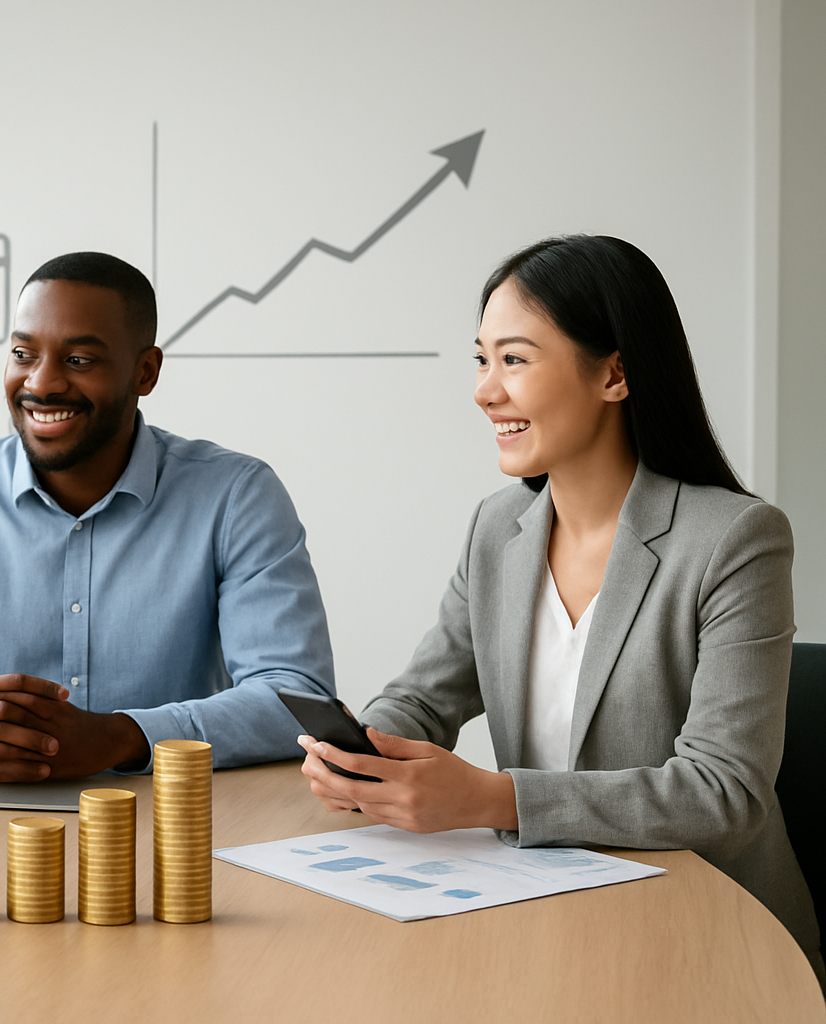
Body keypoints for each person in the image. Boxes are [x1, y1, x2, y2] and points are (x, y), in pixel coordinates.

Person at [298, 234, 820, 963]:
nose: (485, 389)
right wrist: (367, 755)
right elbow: (424, 698)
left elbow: (722, 793)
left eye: (514, 358)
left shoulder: (735, 539)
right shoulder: (496, 530)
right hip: (549, 909)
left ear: (616, 373)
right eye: (482, 359)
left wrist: (494, 800)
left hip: (708, 930)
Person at [0, 252, 334, 780]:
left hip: (176, 818)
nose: (42, 384)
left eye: (79, 360)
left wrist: (121, 737)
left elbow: (295, 696)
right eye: (24, 353)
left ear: (145, 372)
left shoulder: (236, 496)